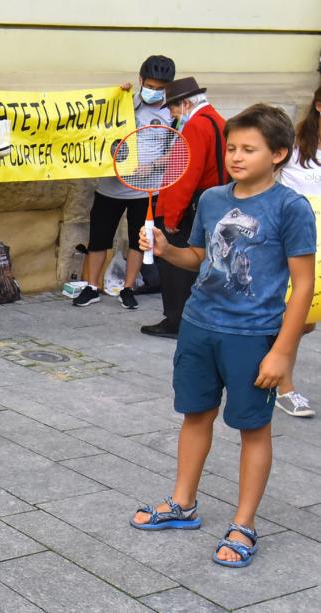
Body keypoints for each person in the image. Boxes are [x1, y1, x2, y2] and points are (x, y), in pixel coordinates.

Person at [130, 104, 316, 568]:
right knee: (195, 415)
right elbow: (198, 257)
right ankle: (183, 504)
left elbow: (304, 286)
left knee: (253, 430)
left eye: (248, 149)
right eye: (232, 147)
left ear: (278, 154)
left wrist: (282, 353)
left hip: (253, 337)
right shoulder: (212, 199)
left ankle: (245, 523)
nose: (236, 156)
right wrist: (166, 248)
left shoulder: (291, 208)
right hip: (198, 326)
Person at [73, 55, 176, 310]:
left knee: (137, 240)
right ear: (140, 80)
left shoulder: (172, 112)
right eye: (150, 86)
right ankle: (92, 286)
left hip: (146, 189)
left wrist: (151, 167)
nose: (154, 91)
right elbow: (98, 125)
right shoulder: (125, 102)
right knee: (98, 238)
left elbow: (175, 150)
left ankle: (128, 288)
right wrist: (116, 95)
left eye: (160, 88)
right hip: (111, 186)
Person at [140, 77, 228, 338]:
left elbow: (184, 174)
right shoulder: (218, 120)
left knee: (176, 265)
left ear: (186, 103)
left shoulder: (195, 127)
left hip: (192, 204)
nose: (173, 114)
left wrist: (172, 215)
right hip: (213, 199)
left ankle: (176, 320)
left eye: (174, 109)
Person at [271, 84, 321, 417]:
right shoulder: (297, 142)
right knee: (296, 314)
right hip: (297, 237)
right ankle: (283, 386)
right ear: (319, 105)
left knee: (308, 319)